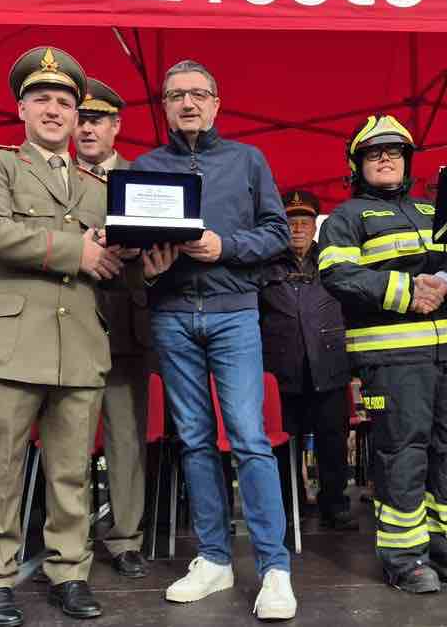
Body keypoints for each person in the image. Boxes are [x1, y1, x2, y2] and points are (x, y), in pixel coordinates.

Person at [0, 47, 125, 626]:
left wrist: (142, 259)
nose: (54, 110)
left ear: (80, 115)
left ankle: (70, 572)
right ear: (22, 108)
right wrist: (76, 251)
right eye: (42, 100)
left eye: (65, 102)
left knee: (73, 469)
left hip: (79, 341)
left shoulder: (101, 184)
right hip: (8, 342)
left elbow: (115, 256)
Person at [130, 59, 297, 621]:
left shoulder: (248, 160)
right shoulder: (145, 166)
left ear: (217, 103)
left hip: (233, 313)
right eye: (175, 95)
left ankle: (275, 569)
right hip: (172, 313)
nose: (187, 103)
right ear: (164, 106)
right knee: (195, 441)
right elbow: (130, 247)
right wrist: (144, 264)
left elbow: (278, 233)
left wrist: (226, 247)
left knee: (249, 438)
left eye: (198, 93)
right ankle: (214, 559)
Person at [319, 114, 447, 594]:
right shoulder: (347, 217)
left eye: (394, 151)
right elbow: (337, 275)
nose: (386, 158)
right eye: (374, 153)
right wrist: (407, 290)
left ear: (408, 161)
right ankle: (403, 555)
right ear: (358, 164)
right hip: (390, 359)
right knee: (402, 452)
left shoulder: (435, 210)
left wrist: (445, 280)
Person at [75, 76, 152, 578]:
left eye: (96, 120)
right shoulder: (51, 176)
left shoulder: (142, 177)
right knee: (70, 442)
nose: (86, 128)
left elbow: (164, 246)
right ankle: (71, 535)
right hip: (69, 323)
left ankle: (126, 538)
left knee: (126, 439)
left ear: (116, 126)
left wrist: (136, 250)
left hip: (126, 324)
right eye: (80, 119)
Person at [260, 190, 356, 531]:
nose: (297, 228)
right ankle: (290, 505)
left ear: (315, 225)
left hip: (328, 366)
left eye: (304, 221)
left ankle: (335, 504)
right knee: (285, 443)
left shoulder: (333, 260)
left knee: (332, 440)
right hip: (280, 369)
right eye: (290, 222)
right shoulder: (265, 263)